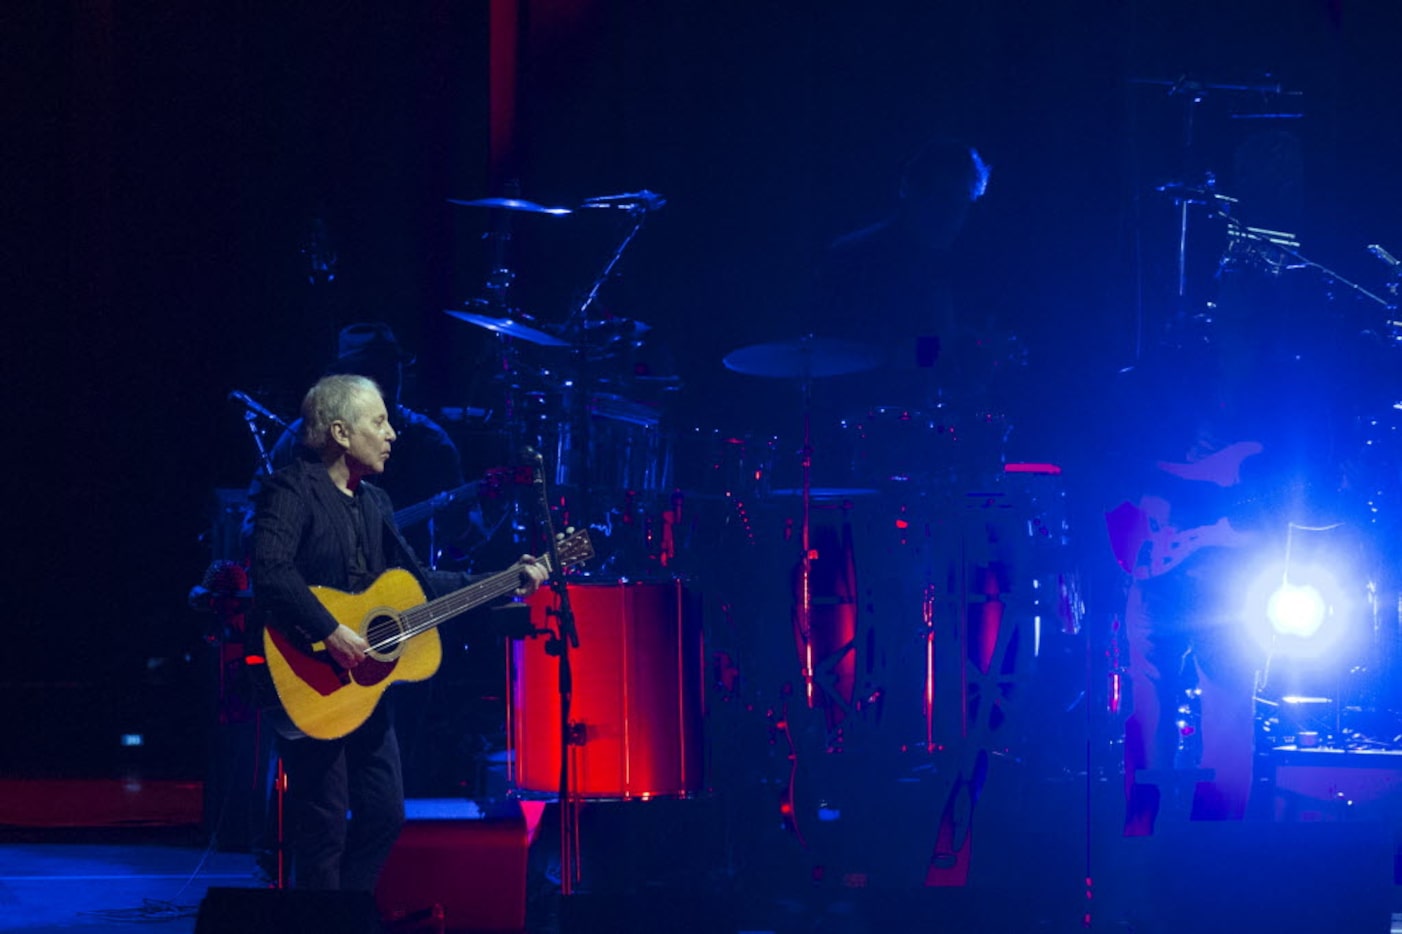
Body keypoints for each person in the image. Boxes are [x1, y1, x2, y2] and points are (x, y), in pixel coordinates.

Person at [250, 373, 548, 891]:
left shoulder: (375, 503)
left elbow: (417, 583)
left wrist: (504, 582)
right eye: (379, 421)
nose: (392, 434)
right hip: (311, 674)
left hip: (363, 690)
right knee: (322, 831)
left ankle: (349, 919)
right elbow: (271, 570)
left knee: (386, 815)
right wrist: (332, 631)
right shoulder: (291, 488)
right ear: (341, 433)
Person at [262, 322, 474, 568]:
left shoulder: (429, 441)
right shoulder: (304, 434)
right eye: (372, 370)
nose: (388, 380)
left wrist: (454, 519)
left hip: (402, 587)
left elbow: (461, 537)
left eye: (392, 367)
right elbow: (260, 506)